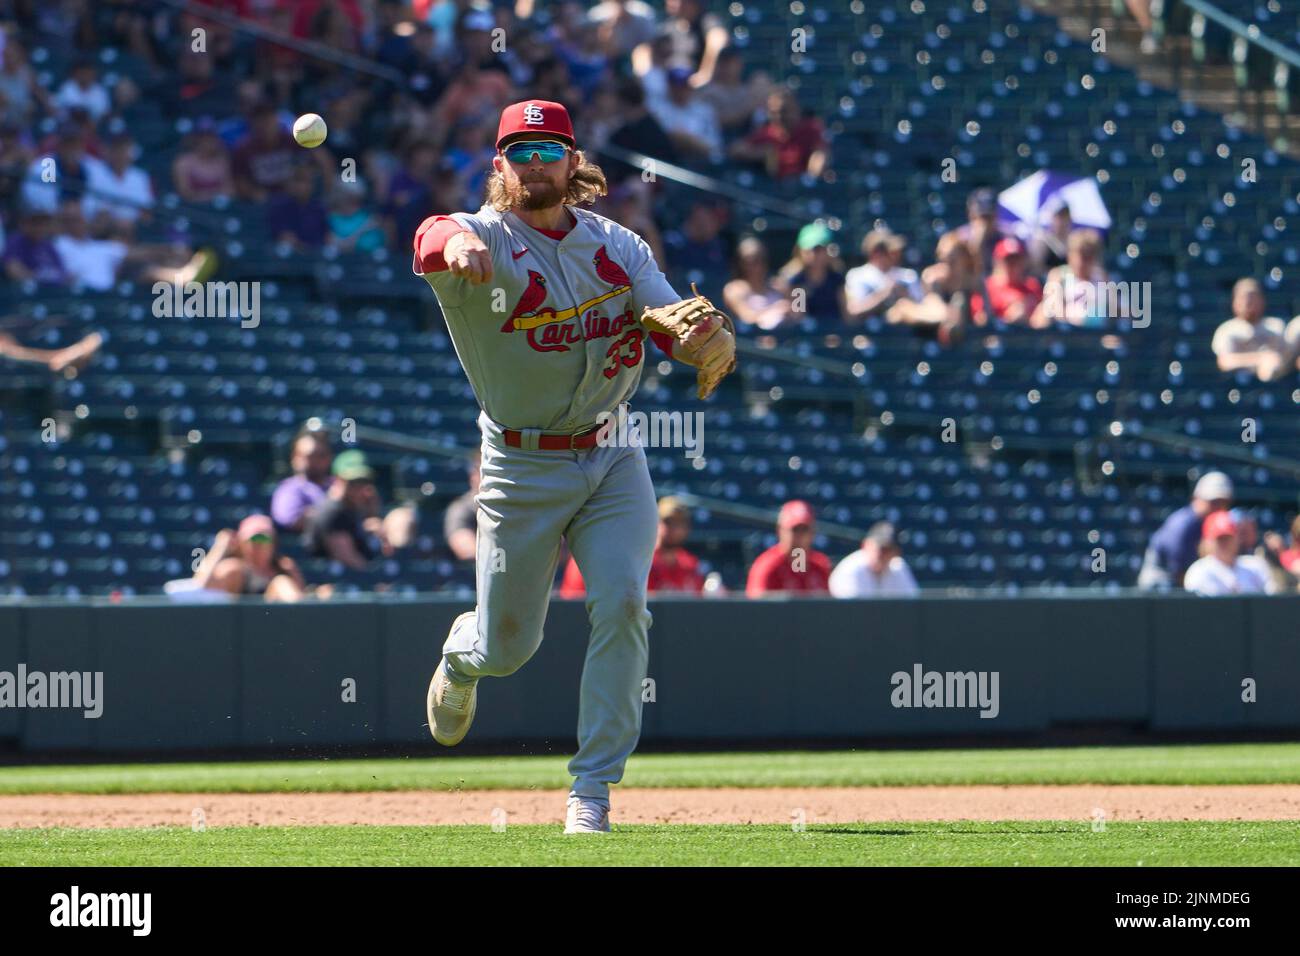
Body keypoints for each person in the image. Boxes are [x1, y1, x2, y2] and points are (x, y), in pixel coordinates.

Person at [412, 99, 735, 834]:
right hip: (521, 468)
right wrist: (453, 247)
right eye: (518, 154)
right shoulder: (483, 238)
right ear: (498, 168)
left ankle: (591, 790)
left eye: (546, 151)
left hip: (613, 450)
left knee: (623, 602)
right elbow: (433, 232)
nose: (533, 165)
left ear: (572, 161)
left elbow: (668, 320)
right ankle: (465, 657)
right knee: (509, 648)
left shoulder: (617, 245)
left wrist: (698, 339)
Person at [559, 495, 706, 596]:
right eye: (668, 522)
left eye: (681, 523)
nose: (676, 529)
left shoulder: (690, 564)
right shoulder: (635, 559)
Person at [1137, 471, 1234, 589]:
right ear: (1196, 498)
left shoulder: (1219, 523)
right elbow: (1179, 572)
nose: (1219, 507)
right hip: (1163, 581)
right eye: (1213, 502)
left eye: (1224, 502)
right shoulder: (1182, 526)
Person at [887, 231, 985, 345]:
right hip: (930, 335)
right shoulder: (934, 281)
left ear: (965, 260)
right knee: (900, 309)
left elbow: (963, 317)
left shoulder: (974, 285)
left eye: (952, 261)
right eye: (942, 260)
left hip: (967, 343)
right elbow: (935, 310)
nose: (945, 266)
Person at [191, 515, 307, 601]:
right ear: (241, 543)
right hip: (245, 627)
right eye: (254, 540)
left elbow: (301, 598)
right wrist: (220, 547)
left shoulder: (285, 567)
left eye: (264, 539)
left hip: (282, 624)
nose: (259, 546)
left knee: (281, 583)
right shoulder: (235, 570)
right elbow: (201, 585)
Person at [303, 449, 381, 570]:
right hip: (333, 583)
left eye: (363, 482)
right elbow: (348, 558)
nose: (359, 488)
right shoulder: (331, 511)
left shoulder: (352, 509)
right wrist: (377, 579)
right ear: (337, 479)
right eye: (353, 482)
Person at [1211, 278, 1300, 382]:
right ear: (1234, 302)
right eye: (1244, 298)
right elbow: (1224, 362)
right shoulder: (1227, 329)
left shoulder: (1275, 325)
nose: (1248, 302)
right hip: (1242, 384)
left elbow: (1286, 354)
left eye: (1253, 297)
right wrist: (1259, 358)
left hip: (1279, 376)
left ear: (1262, 301)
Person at [728, 88, 827, 180]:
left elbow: (819, 154)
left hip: (803, 184)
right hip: (774, 187)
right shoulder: (766, 133)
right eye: (774, 112)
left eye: (784, 111)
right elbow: (736, 149)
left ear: (796, 109)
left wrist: (814, 173)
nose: (779, 117)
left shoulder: (811, 128)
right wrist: (760, 153)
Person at [745, 499, 832, 596]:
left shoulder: (820, 566)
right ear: (780, 530)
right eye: (795, 530)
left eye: (804, 530)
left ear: (812, 532)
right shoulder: (768, 566)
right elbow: (756, 607)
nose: (800, 536)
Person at [1031, 228, 1109, 328]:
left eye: (1088, 255)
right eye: (1079, 254)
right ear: (1070, 255)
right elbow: (1055, 310)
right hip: (1066, 333)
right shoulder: (1058, 275)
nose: (1082, 261)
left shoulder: (1102, 277)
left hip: (1095, 334)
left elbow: (1112, 310)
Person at [777, 222, 849, 329]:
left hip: (835, 335)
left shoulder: (837, 279)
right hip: (808, 337)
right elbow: (799, 317)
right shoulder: (797, 281)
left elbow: (846, 315)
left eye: (818, 249)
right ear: (800, 251)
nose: (813, 254)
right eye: (808, 249)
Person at [845, 228, 923, 319]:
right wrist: (885, 293)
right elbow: (854, 311)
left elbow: (922, 308)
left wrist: (902, 293)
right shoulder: (857, 275)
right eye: (886, 251)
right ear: (874, 253)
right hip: (869, 330)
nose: (895, 253)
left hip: (906, 330)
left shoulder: (908, 275)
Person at [1183, 511, 1266, 596]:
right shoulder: (1198, 571)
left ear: (1237, 539)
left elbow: (1272, 599)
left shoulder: (1255, 566)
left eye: (1228, 538)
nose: (1224, 543)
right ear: (1207, 542)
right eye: (1219, 539)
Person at [270, 428, 335, 533]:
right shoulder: (289, 488)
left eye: (321, 455)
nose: (316, 461)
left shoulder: (337, 484)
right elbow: (290, 520)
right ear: (295, 457)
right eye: (310, 456)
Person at [828, 522, 919, 598]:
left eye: (888, 550)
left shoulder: (898, 567)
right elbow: (852, 613)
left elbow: (912, 605)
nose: (882, 554)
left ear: (896, 553)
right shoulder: (849, 569)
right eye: (880, 548)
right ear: (865, 545)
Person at [723, 236, 793, 331]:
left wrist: (791, 309)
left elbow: (799, 315)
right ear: (740, 263)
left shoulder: (779, 285)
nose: (756, 266)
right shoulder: (733, 289)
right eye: (749, 261)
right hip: (750, 341)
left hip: (783, 338)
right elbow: (746, 318)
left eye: (759, 259)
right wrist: (775, 310)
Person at [983, 237, 1043, 325]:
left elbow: (1041, 317)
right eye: (1008, 261)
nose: (1014, 266)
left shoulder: (1032, 286)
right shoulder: (988, 287)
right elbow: (980, 320)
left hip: (1030, 336)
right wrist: (1007, 319)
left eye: (1016, 260)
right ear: (998, 262)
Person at [443, 450, 481, 562]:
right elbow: (465, 547)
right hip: (481, 573)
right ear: (473, 476)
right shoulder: (462, 507)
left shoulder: (511, 504)